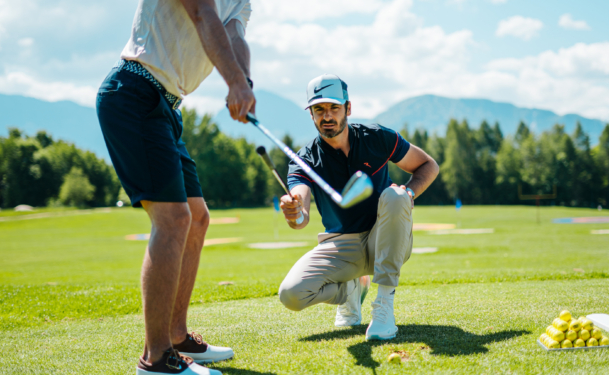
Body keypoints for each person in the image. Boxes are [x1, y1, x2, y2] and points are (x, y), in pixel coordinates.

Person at [95, 1, 254, 374]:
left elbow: (233, 33)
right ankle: (156, 359)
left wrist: (244, 79)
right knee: (173, 219)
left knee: (197, 218)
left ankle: (177, 336)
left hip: (166, 105)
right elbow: (203, 14)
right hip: (134, 92)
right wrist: (231, 80)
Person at [278, 74, 439, 340]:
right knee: (291, 295)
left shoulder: (377, 137)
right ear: (311, 114)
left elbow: (428, 165)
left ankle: (384, 308)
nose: (327, 116)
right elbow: (301, 212)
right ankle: (350, 290)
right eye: (319, 109)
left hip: (384, 240)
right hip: (341, 246)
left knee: (396, 196)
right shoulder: (303, 159)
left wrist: (409, 192)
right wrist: (294, 212)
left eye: (334, 108)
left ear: (348, 108)